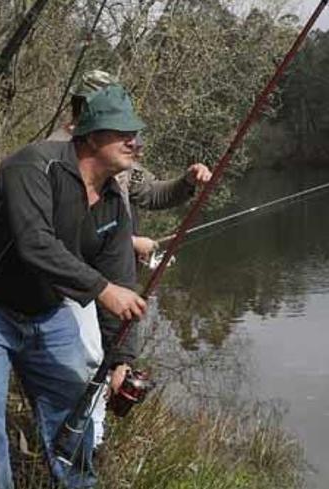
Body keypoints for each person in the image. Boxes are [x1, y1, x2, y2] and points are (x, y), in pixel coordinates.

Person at [0, 84, 148, 489]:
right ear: (91, 136)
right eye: (122, 132)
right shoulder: (33, 166)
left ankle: (76, 487)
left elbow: (122, 282)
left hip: (47, 310)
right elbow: (35, 244)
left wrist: (121, 358)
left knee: (73, 401)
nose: (134, 141)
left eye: (136, 132)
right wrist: (101, 289)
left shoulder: (113, 201)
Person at [48, 69, 212, 448]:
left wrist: (187, 182)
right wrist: (130, 240)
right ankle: (69, 445)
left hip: (112, 282)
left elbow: (152, 193)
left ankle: (88, 442)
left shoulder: (117, 155)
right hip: (71, 288)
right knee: (81, 365)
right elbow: (58, 232)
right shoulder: (58, 153)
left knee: (109, 360)